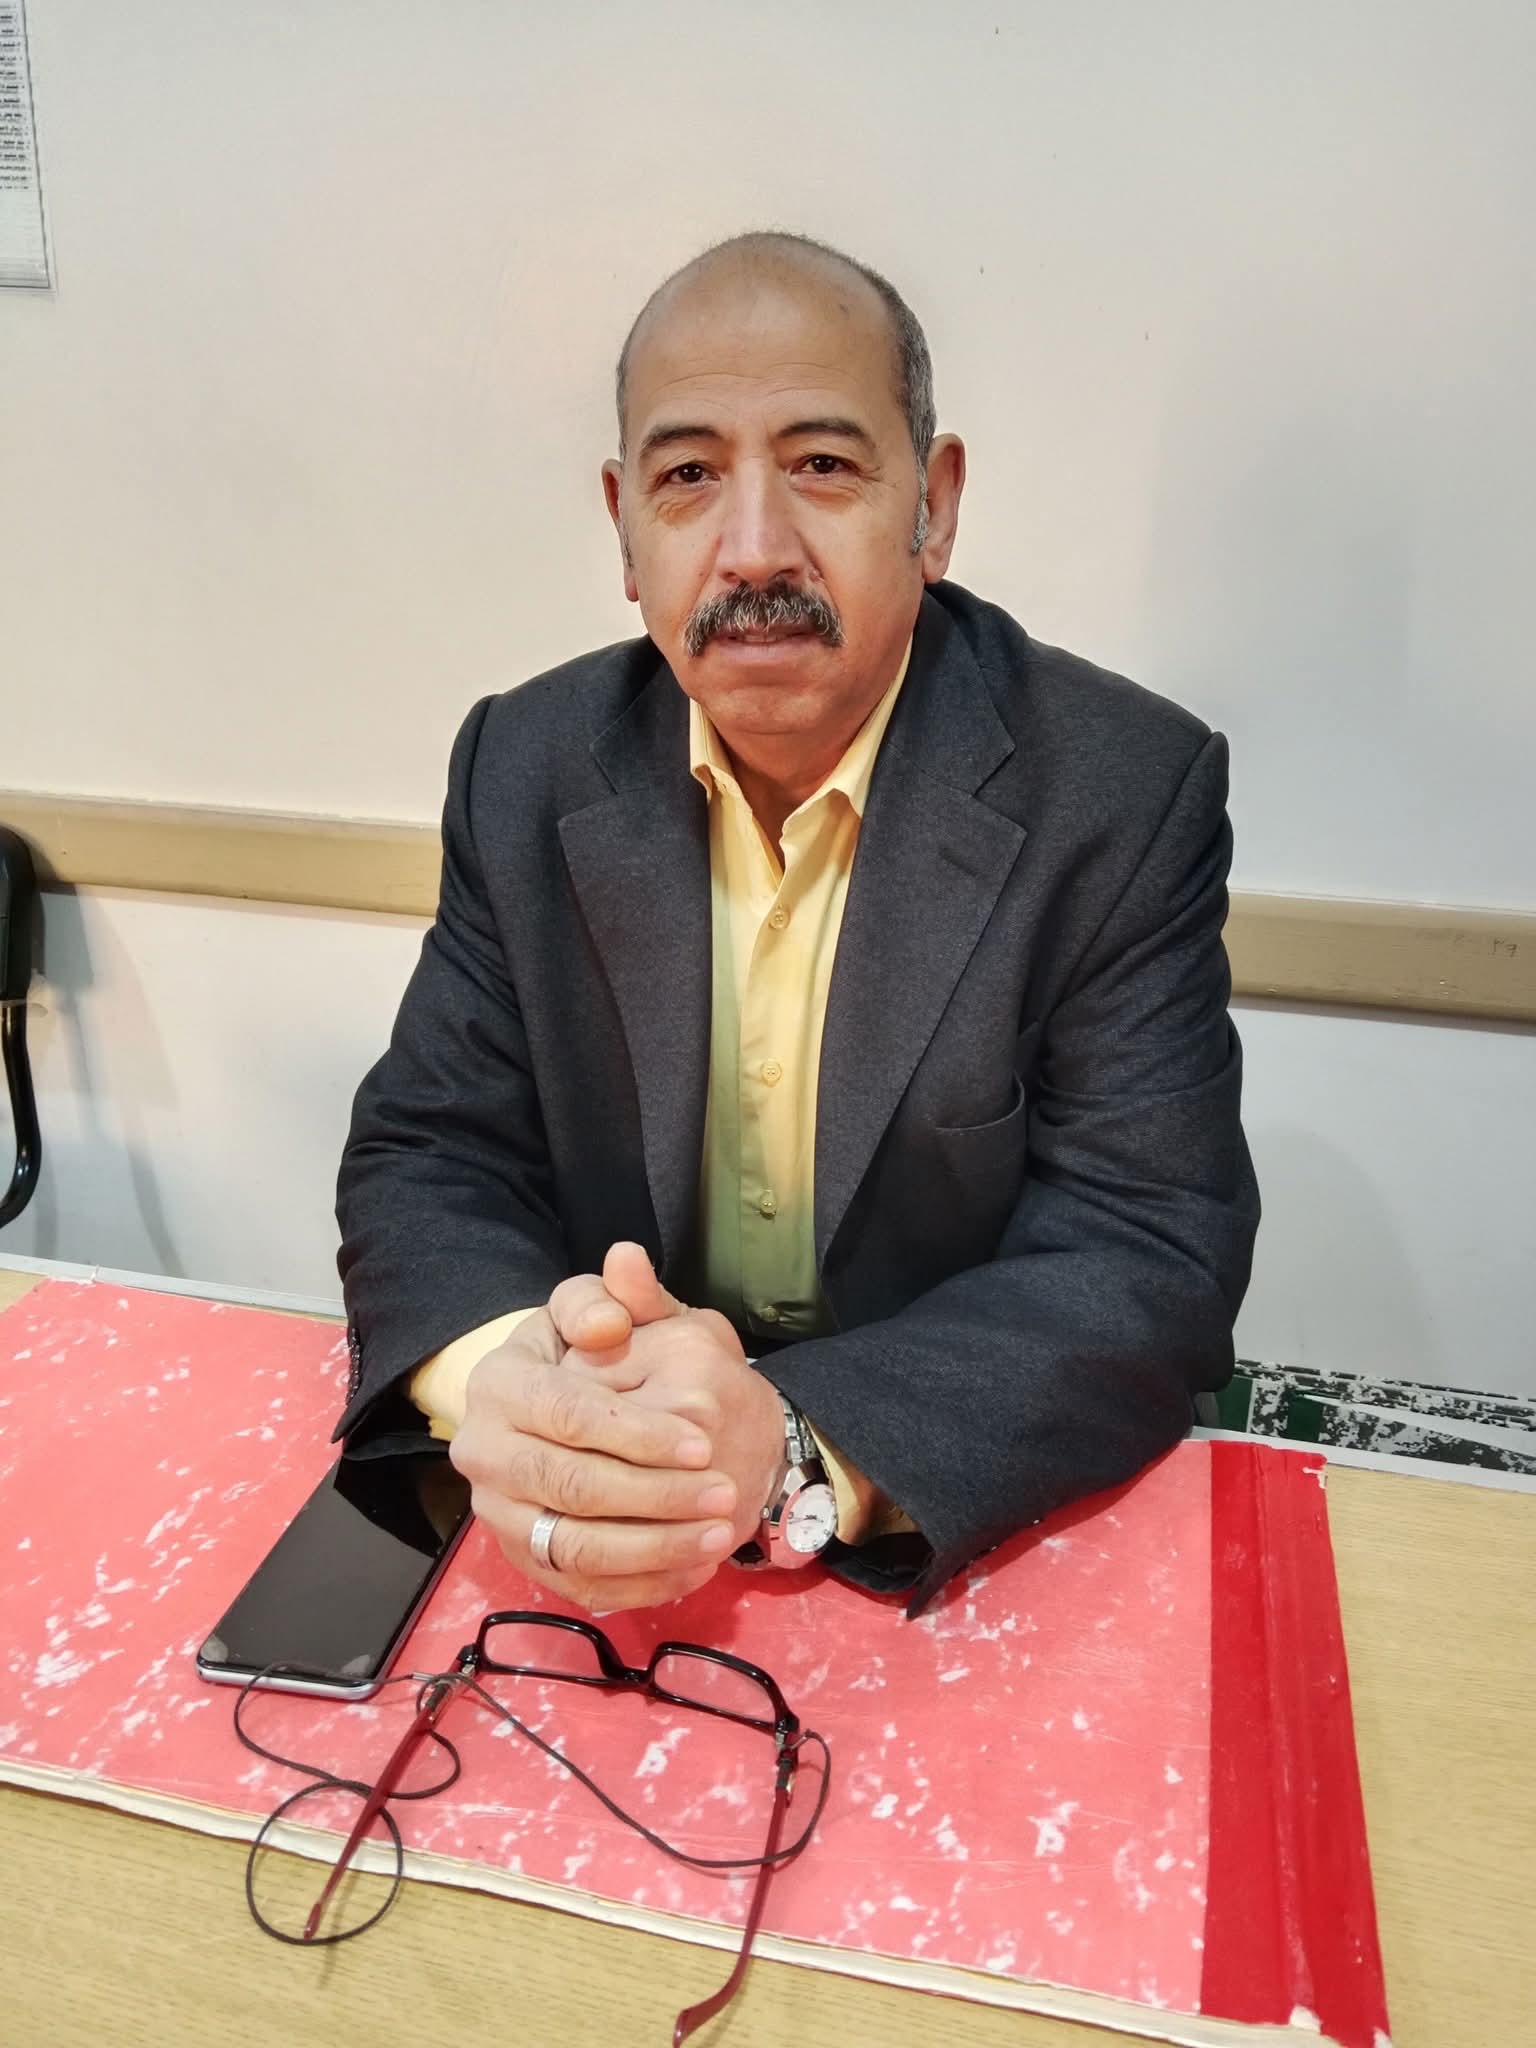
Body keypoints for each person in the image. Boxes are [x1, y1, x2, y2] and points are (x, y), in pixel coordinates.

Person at [335, 230, 1260, 1619]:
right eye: (688, 476)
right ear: (625, 528)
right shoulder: (523, 767)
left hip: (925, 1535)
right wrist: (527, 1390)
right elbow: (430, 1152)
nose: (754, 547)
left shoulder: (1119, 791)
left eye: (823, 464)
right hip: (597, 1544)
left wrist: (789, 1446)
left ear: (933, 507)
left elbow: (1145, 1252)